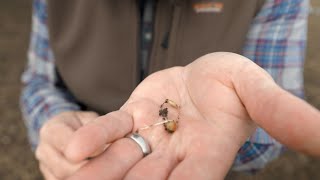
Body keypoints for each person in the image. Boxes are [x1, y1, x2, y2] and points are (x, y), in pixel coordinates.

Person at [20, 0, 309, 179]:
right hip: (92, 155)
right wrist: (54, 121)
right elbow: (38, 82)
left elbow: (278, 115)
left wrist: (233, 125)